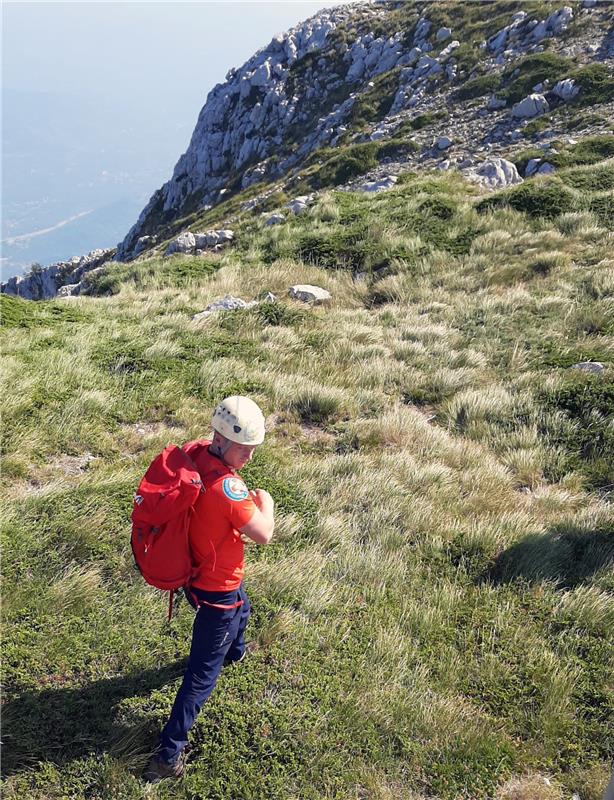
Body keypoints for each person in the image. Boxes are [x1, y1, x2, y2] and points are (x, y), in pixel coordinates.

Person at [144, 395, 275, 783]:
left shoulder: (198, 454)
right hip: (217, 591)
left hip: (197, 576)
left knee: (243, 608)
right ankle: (167, 757)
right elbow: (263, 534)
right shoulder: (227, 488)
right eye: (246, 449)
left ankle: (235, 651)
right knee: (200, 677)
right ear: (225, 440)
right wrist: (266, 503)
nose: (250, 457)